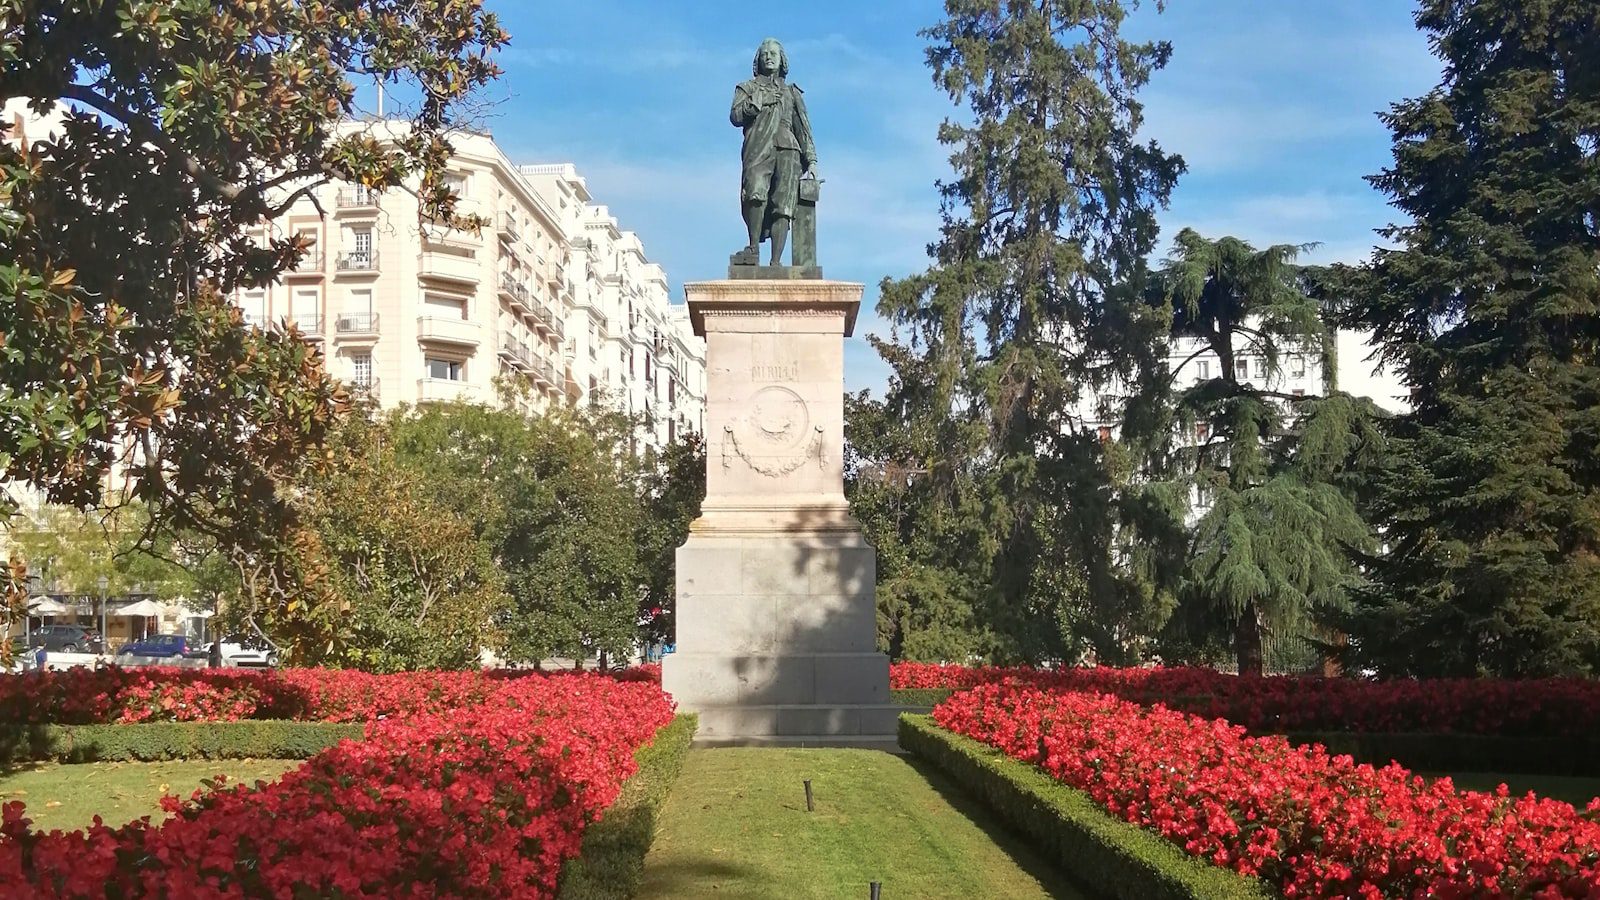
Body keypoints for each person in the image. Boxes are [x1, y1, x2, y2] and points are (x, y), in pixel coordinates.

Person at [730, 38, 818, 266]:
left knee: (784, 206)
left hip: (788, 149)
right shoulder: (747, 88)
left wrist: (812, 161)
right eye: (764, 53)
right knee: (755, 194)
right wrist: (757, 103)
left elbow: (804, 129)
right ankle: (753, 249)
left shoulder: (791, 93)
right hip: (758, 147)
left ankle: (776, 261)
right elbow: (735, 117)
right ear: (758, 59)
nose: (769, 56)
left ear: (782, 61)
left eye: (773, 53)